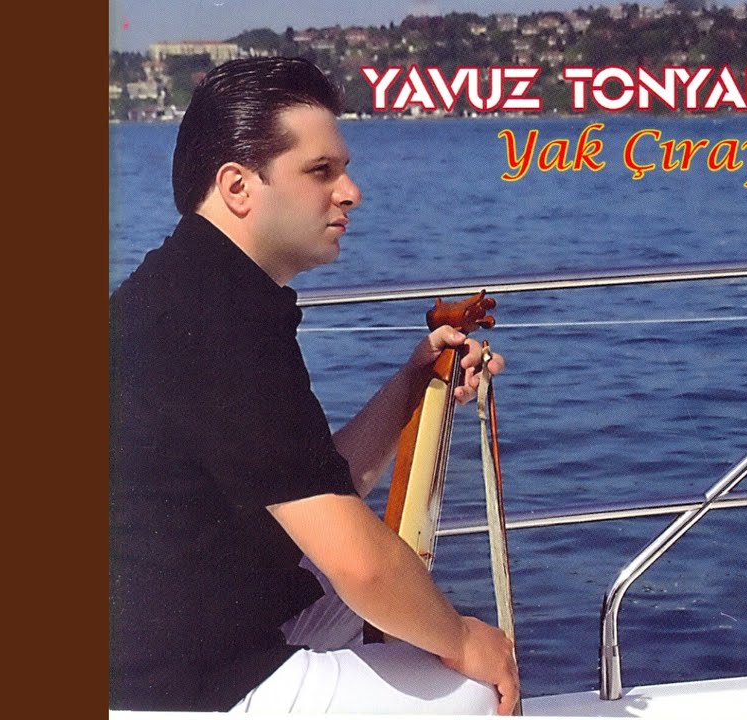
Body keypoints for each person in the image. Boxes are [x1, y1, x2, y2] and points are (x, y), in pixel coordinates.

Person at [109, 57, 518, 714]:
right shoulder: (218, 322)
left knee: (401, 605)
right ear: (239, 187)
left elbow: (322, 484)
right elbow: (360, 565)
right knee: (472, 691)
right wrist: (467, 641)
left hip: (204, 629)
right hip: (174, 687)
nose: (351, 192)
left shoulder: (197, 289)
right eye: (321, 171)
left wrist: (413, 381)